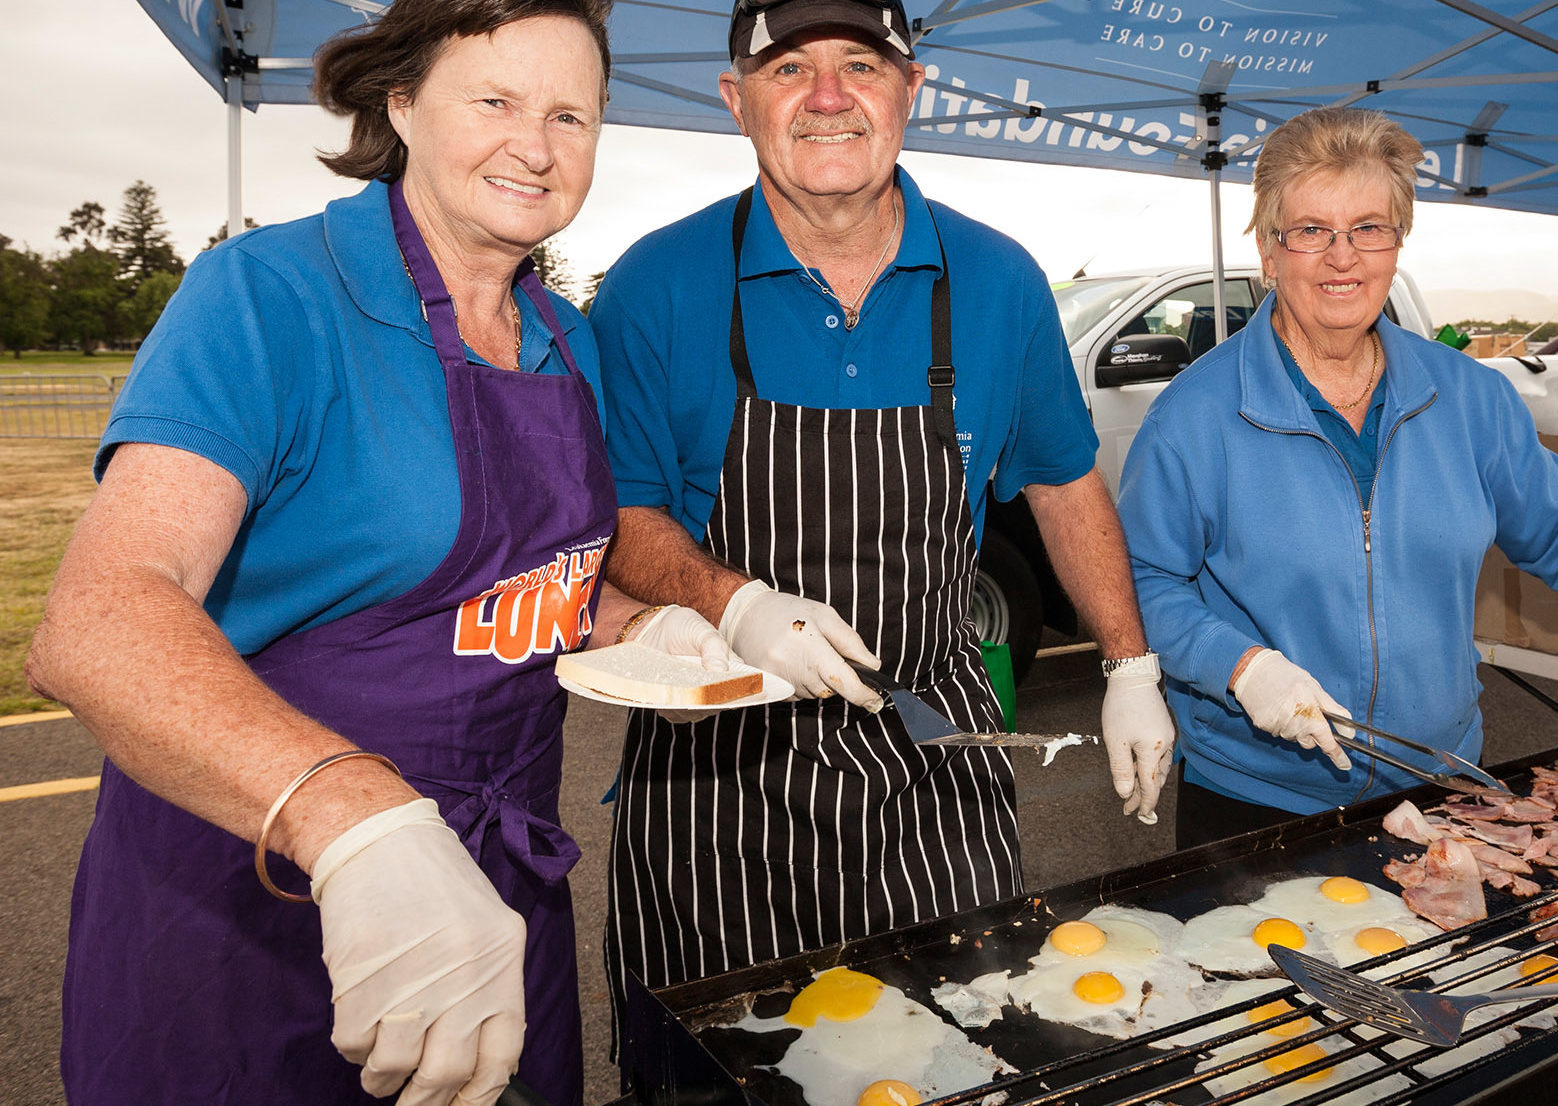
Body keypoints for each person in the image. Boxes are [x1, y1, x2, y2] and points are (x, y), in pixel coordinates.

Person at [24, 2, 735, 1104]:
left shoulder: (567, 337)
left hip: (497, 895)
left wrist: (650, 628)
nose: (536, 145)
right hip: (266, 892)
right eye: (493, 101)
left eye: (571, 115)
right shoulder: (267, 294)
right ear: (401, 103)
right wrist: (354, 817)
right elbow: (101, 618)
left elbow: (531, 586)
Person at [588, 0, 1175, 1055]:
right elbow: (616, 511)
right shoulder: (652, 284)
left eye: (861, 63)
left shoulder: (996, 280)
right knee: (727, 1066)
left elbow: (1062, 482)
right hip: (715, 779)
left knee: (961, 1048)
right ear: (736, 99)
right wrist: (738, 603)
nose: (826, 97)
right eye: (788, 69)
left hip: (934, 762)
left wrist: (1129, 665)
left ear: (914, 89)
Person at [1116, 106, 1558, 849]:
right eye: (1312, 230)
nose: (1342, 256)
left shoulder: (1474, 401)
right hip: (1256, 799)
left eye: (1368, 228)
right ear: (1268, 250)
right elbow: (1143, 581)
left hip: (1442, 780)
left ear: (1397, 242)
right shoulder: (1193, 416)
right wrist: (1241, 665)